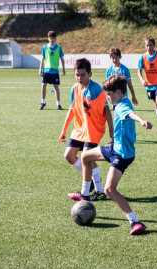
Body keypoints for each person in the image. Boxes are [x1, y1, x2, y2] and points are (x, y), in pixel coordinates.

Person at [69, 74, 152, 235]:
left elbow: (130, 114)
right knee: (86, 156)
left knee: (109, 190)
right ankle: (85, 194)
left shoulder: (122, 106)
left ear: (119, 92)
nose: (107, 98)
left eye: (109, 95)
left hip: (122, 155)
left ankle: (135, 222)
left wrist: (142, 121)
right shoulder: (121, 100)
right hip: (115, 148)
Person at [59, 58, 113, 201]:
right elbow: (72, 109)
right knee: (69, 155)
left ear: (90, 74)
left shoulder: (96, 89)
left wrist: (112, 132)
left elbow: (107, 111)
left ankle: (93, 192)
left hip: (93, 129)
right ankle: (90, 179)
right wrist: (63, 130)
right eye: (77, 75)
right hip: (79, 128)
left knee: (86, 157)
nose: (79, 78)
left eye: (83, 75)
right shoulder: (74, 88)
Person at [39, 31, 66, 110]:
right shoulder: (45, 47)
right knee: (43, 85)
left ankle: (58, 104)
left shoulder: (59, 48)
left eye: (53, 38)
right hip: (46, 70)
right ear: (48, 38)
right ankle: (43, 102)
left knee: (56, 87)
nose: (52, 39)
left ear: (55, 39)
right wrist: (40, 69)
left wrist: (63, 69)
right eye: (50, 38)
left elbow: (62, 59)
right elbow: (42, 59)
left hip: (54, 71)